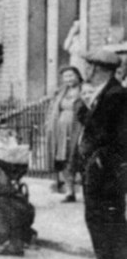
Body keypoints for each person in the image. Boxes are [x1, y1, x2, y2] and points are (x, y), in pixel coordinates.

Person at [76, 49, 127, 259]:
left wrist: (102, 160)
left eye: (88, 66)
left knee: (108, 216)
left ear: (96, 69)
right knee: (95, 216)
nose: (85, 70)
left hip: (106, 168)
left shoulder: (116, 95)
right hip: (96, 166)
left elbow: (113, 134)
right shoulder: (102, 94)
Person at [45, 66, 87, 202]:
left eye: (71, 75)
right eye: (65, 77)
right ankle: (70, 192)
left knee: (80, 158)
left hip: (79, 128)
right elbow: (53, 109)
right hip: (61, 130)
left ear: (77, 76)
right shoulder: (61, 92)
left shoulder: (85, 90)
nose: (69, 79)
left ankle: (87, 192)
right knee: (64, 159)